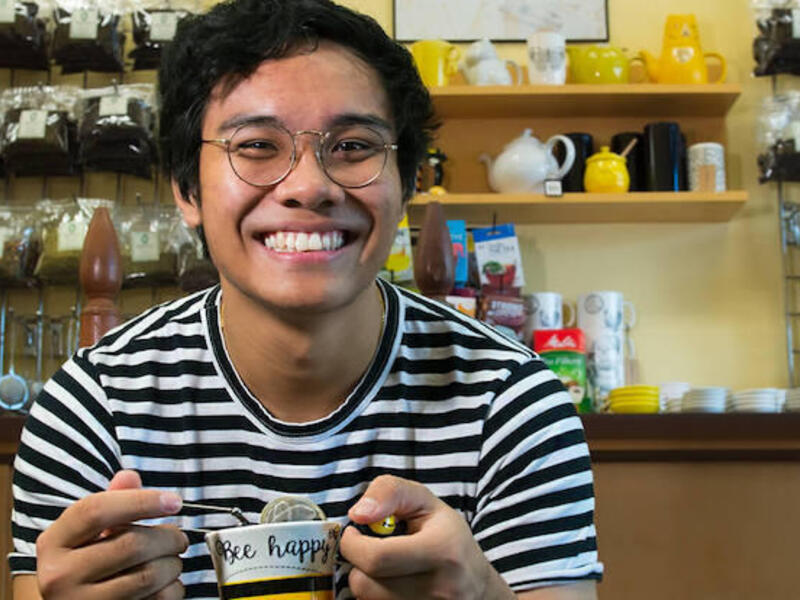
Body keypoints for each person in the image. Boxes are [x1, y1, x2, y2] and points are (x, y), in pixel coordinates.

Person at [9, 0, 603, 598]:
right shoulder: (94, 407)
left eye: (352, 146)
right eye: (257, 145)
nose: (309, 186)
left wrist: (483, 595)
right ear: (188, 190)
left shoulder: (512, 403)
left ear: (409, 184)